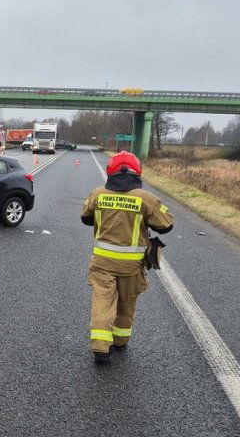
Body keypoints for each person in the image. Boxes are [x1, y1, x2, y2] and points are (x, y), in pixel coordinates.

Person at [80, 151, 174, 364]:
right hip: (131, 266)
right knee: (126, 302)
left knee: (102, 301)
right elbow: (167, 224)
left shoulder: (97, 194)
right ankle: (120, 341)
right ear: (137, 172)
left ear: (110, 172)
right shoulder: (146, 199)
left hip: (102, 263)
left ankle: (100, 347)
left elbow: (85, 218)